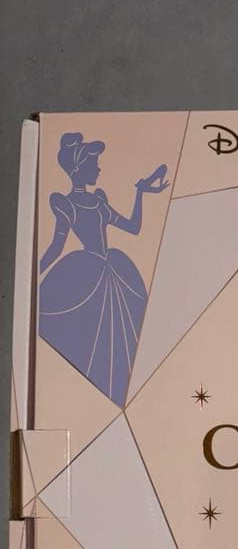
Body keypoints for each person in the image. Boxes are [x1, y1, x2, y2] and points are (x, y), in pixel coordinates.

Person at [38, 132, 168, 406]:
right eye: (93, 164)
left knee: (129, 339)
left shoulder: (98, 201)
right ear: (78, 168)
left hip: (113, 270)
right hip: (85, 274)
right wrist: (31, 278)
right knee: (87, 339)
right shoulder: (66, 204)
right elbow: (56, 248)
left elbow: (133, 227)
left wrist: (140, 191)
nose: (98, 169)